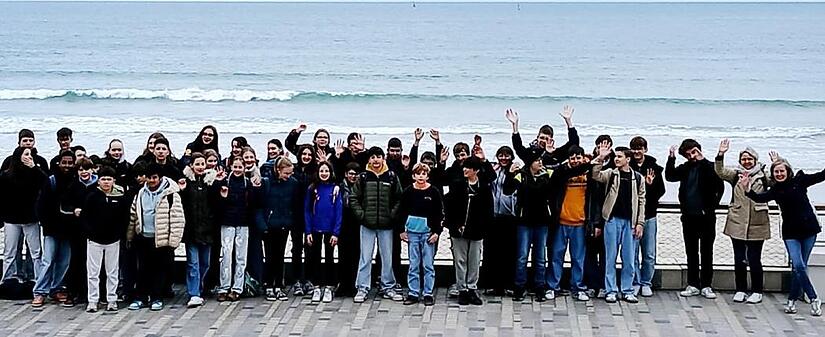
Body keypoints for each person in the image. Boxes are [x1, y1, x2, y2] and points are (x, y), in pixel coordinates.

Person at [741, 160, 823, 316]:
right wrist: (747, 189)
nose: (779, 174)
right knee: (798, 265)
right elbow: (759, 198)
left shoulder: (800, 181)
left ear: (788, 171)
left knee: (800, 267)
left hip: (809, 230)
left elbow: (821, 176)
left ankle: (791, 301)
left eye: (781, 171)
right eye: (776, 172)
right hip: (790, 233)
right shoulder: (776, 190)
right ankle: (814, 298)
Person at [715, 139, 774, 304]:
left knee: (755, 258)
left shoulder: (763, 176)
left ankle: (757, 291)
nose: (747, 162)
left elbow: (778, 180)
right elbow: (719, 171)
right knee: (739, 258)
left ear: (755, 160)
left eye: (750, 159)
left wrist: (776, 163)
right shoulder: (735, 175)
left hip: (758, 222)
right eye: (744, 159)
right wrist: (721, 154)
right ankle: (740, 289)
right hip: (737, 221)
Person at [665, 139, 724, 299]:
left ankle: (706, 285)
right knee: (691, 252)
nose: (692, 156)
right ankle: (692, 284)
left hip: (706, 217)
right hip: (689, 216)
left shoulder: (710, 167)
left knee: (707, 252)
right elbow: (670, 176)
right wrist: (671, 158)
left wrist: (710, 208)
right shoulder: (685, 168)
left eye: (694, 152)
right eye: (688, 154)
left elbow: (720, 187)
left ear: (699, 150)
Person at [591, 145, 646, 303]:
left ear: (628, 159)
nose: (616, 159)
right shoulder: (611, 174)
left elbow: (642, 201)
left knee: (629, 258)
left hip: (630, 222)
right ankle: (611, 290)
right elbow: (595, 175)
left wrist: (640, 223)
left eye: (620, 156)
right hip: (612, 220)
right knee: (610, 257)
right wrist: (601, 158)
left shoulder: (638, 178)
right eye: (615, 156)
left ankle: (628, 289)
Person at [126, 163, 185, 311]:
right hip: (143, 237)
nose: (152, 181)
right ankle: (141, 297)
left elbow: (178, 218)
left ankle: (156, 297)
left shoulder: (171, 194)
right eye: (149, 178)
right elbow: (134, 215)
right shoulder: (140, 193)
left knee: (159, 270)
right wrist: (130, 235)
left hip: (161, 239)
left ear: (160, 177)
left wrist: (173, 241)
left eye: (155, 177)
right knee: (142, 269)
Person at [351, 147, 403, 303]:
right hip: (367, 225)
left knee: (387, 257)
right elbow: (353, 198)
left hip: (386, 226)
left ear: (383, 158)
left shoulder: (392, 176)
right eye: (372, 157)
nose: (375, 160)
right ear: (369, 160)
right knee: (365, 257)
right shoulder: (363, 177)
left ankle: (388, 287)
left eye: (378, 157)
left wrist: (391, 215)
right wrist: (362, 215)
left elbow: (399, 198)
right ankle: (362, 288)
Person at [504, 147, 552, 302]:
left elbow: (554, 188)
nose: (540, 163)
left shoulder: (547, 175)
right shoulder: (521, 175)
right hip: (524, 221)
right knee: (522, 256)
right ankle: (519, 287)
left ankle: (539, 287)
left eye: (541, 160)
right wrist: (510, 173)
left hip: (542, 221)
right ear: (530, 163)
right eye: (537, 160)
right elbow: (507, 189)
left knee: (540, 257)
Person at [546, 145, 593, 301]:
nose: (575, 160)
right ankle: (553, 286)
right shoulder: (561, 172)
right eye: (572, 157)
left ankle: (578, 287)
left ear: (582, 157)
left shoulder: (589, 173)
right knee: (556, 256)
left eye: (578, 157)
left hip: (580, 222)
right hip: (561, 221)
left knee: (578, 258)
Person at [80, 166, 130, 312]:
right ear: (98, 181)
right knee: (93, 272)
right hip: (94, 241)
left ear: (114, 180)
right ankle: (93, 300)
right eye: (103, 179)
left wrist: (119, 233)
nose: (106, 182)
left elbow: (124, 218)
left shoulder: (120, 197)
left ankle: (112, 299)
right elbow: (85, 218)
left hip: (113, 241)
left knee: (112, 271)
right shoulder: (92, 196)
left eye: (109, 179)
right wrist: (90, 233)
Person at [445, 156, 492, 306]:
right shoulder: (457, 185)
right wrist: (454, 224)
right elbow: (449, 206)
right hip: (459, 230)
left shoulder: (484, 187)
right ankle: (462, 289)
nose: (465, 169)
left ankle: (472, 288)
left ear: (476, 170)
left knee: (474, 260)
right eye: (464, 167)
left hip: (477, 230)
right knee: (460, 260)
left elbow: (488, 210)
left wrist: (484, 227)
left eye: (468, 167)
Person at [32, 150, 76, 307]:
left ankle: (56, 289)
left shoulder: (75, 180)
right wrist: (46, 225)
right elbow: (41, 206)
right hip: (52, 229)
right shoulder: (51, 180)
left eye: (70, 163)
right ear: (59, 163)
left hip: (69, 230)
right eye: (64, 162)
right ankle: (39, 291)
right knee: (48, 261)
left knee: (64, 262)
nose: (67, 166)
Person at [179, 153, 222, 308]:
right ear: (191, 166)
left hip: (207, 230)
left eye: (202, 164)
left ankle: (200, 287)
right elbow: (181, 205)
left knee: (205, 263)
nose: (200, 167)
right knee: (193, 263)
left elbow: (217, 203)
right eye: (197, 164)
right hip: (192, 230)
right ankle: (193, 293)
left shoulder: (210, 182)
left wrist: (219, 185)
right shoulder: (186, 183)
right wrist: (182, 190)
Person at [0, 147, 47, 291]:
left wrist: (34, 167)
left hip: (30, 219)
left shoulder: (34, 173)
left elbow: (47, 183)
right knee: (10, 251)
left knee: (36, 252)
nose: (29, 157)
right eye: (26, 154)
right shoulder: (6, 175)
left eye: (30, 155)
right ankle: (7, 279)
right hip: (11, 219)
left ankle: (39, 279)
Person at [398, 163, 443, 306]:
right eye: (418, 174)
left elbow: (438, 214)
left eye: (424, 174)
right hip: (412, 233)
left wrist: (436, 232)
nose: (421, 176)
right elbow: (402, 212)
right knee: (413, 264)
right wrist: (401, 230)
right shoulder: (408, 191)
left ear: (427, 176)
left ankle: (428, 293)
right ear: (413, 175)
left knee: (428, 264)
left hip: (428, 233)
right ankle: (413, 292)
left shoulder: (434, 192)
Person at [257, 158, 302, 301]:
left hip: (284, 224)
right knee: (269, 256)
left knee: (280, 255)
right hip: (269, 225)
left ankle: (278, 286)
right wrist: (263, 225)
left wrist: (291, 221)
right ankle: (269, 285)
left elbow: (295, 205)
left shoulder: (293, 183)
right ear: (278, 170)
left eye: (290, 173)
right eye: (286, 173)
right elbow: (260, 205)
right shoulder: (267, 182)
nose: (288, 176)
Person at [216, 157, 260, 302]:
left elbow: (253, 204)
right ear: (231, 167)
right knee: (226, 256)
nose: (237, 169)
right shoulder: (225, 181)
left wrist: (255, 189)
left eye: (240, 167)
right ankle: (223, 287)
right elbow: (217, 203)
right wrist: (222, 196)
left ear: (244, 168)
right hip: (227, 222)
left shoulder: (248, 183)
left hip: (243, 223)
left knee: (241, 257)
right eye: (235, 166)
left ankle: (237, 288)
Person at [629, 136, 665, 297]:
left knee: (649, 252)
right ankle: (635, 281)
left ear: (645, 149)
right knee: (632, 251)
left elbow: (661, 191)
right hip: (631, 216)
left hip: (649, 215)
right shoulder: (626, 166)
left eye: (640, 148)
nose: (637, 151)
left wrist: (650, 185)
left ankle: (646, 282)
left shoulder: (654, 168)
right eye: (634, 148)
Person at [62, 158, 100, 306]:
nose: (84, 172)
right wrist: (73, 210)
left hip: (94, 230)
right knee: (76, 260)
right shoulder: (73, 185)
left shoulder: (98, 185)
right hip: (77, 230)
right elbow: (64, 205)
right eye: (81, 169)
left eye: (87, 169)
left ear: (92, 169)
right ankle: (74, 292)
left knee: (93, 263)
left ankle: (93, 293)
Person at [304, 161, 343, 303]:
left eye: (326, 171)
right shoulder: (312, 189)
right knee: (315, 258)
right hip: (315, 229)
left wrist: (336, 233)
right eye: (322, 171)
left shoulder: (335, 189)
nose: (324, 174)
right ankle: (316, 287)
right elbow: (307, 210)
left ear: (331, 172)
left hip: (330, 231)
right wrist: (308, 231)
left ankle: (329, 287)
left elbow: (339, 212)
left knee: (329, 259)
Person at [481, 146, 518, 296]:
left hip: (509, 217)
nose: (504, 158)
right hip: (492, 216)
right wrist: (484, 160)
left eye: (507, 155)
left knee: (508, 252)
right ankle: (491, 284)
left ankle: (508, 284)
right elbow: (486, 179)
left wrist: (510, 173)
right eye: (501, 155)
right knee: (491, 251)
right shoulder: (493, 169)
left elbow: (512, 188)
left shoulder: (516, 171)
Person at [505, 106, 579, 167]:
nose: (543, 141)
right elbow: (518, 147)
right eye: (542, 138)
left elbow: (574, 143)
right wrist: (515, 126)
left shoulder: (557, 153)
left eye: (547, 139)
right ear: (537, 138)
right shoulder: (530, 153)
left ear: (551, 140)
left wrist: (569, 122)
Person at [335, 162, 362, 297]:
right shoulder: (339, 187)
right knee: (343, 255)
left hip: (357, 224)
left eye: (356, 174)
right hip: (343, 224)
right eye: (351, 173)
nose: (353, 176)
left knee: (356, 255)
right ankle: (342, 284)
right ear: (346, 174)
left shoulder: (361, 187)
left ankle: (353, 284)